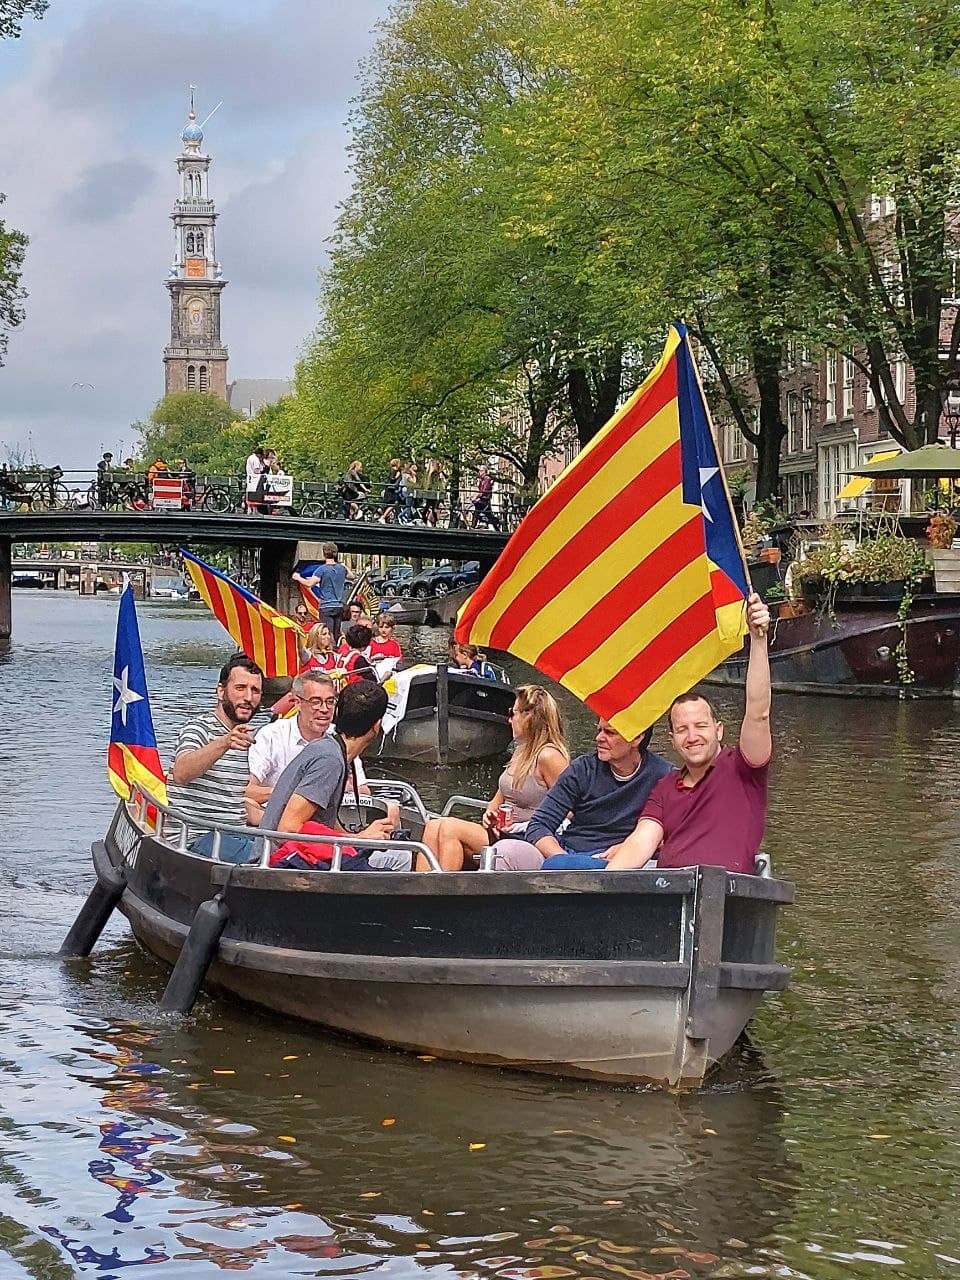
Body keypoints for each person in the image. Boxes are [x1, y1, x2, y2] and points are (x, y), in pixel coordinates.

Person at [605, 592, 772, 875]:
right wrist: (604, 885)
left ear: (719, 730)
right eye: (682, 729)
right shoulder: (665, 787)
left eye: (701, 726)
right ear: (672, 741)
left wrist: (758, 640)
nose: (692, 736)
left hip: (724, 894)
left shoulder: (743, 770)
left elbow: (758, 712)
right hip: (669, 892)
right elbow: (640, 842)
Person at [260, 682, 409, 871]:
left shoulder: (330, 749)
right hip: (285, 862)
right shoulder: (330, 760)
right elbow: (288, 829)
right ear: (377, 725)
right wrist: (360, 839)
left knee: (395, 852)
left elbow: (323, 821)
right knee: (402, 858)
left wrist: (361, 836)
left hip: (298, 856)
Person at [491, 719, 673, 871]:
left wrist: (628, 850)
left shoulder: (664, 775)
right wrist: (563, 860)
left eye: (610, 733)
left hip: (629, 862)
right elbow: (539, 825)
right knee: (504, 851)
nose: (599, 738)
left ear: (637, 738)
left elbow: (674, 834)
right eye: (599, 730)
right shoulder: (581, 769)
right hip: (569, 852)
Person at [420, 686, 570, 871]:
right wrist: (489, 815)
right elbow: (498, 799)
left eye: (512, 713)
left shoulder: (549, 756)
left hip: (527, 837)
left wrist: (523, 825)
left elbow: (570, 811)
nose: (509, 720)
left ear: (530, 717)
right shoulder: (521, 751)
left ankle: (444, 889)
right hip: (502, 832)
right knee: (433, 826)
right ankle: (418, 888)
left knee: (448, 829)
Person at [165, 655, 264, 860]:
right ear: (220, 691)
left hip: (235, 835)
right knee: (270, 859)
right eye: (240, 688)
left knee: (292, 851)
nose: (248, 697)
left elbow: (233, 803)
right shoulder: (199, 728)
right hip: (196, 839)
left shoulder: (246, 737)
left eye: (255, 690)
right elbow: (181, 773)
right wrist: (224, 742)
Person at [246, 671, 370, 824]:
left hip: (328, 819)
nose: (324, 709)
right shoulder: (271, 735)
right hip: (279, 816)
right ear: (297, 703)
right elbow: (247, 790)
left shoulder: (340, 737)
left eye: (330, 702)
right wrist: (292, 795)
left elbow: (363, 791)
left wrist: (337, 789)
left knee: (392, 810)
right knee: (247, 806)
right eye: (315, 702)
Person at [292, 542, 347, 640]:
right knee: (336, 635)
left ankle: (331, 649)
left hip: (326, 607)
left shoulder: (322, 569)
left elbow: (309, 584)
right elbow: (351, 576)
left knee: (327, 634)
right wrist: (342, 566)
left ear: (324, 554)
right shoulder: (341, 568)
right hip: (338, 606)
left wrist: (298, 577)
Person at [368, 613, 403, 678]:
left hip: (390, 673)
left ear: (391, 628)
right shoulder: (371, 643)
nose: (383, 630)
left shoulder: (394, 645)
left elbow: (398, 662)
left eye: (387, 627)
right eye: (381, 627)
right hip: (374, 673)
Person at [471, 465, 499, 530]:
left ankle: (473, 526)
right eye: (479, 471)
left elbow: (484, 491)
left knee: (477, 509)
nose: (480, 472)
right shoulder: (482, 480)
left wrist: (476, 496)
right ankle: (496, 527)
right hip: (483, 499)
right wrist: (474, 496)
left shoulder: (487, 479)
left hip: (485, 499)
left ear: (485, 472)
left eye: (481, 471)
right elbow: (480, 490)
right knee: (488, 515)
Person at [380, 458, 403, 524]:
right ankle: (383, 517)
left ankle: (384, 517)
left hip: (390, 489)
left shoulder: (392, 470)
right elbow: (392, 479)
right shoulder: (394, 470)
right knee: (392, 504)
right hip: (391, 490)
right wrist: (396, 477)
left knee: (390, 504)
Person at [244, 446, 266, 515]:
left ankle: (249, 509)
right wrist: (262, 471)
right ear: (259, 454)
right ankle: (254, 510)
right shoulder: (256, 459)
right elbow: (256, 470)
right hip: (255, 479)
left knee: (249, 494)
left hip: (249, 478)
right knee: (255, 495)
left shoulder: (250, 457)